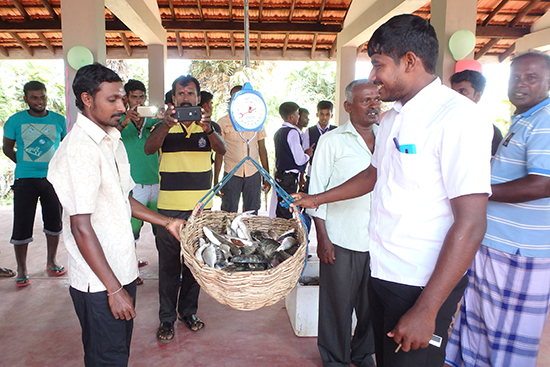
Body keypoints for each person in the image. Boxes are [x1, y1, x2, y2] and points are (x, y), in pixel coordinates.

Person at [292, 14, 492, 367]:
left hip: (420, 284)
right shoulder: (394, 117)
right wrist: (317, 199)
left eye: (378, 65)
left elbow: (472, 223)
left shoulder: (457, 117)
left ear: (410, 61)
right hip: (382, 270)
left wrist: (427, 310)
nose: (372, 76)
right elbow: (374, 174)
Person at [47, 63, 185, 366]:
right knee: (107, 358)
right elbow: (81, 226)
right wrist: (114, 289)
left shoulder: (111, 139)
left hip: (120, 272)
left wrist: (166, 221)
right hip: (100, 284)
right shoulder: (79, 150)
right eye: (113, 100)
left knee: (116, 353)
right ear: (86, 99)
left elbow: (122, 198)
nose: (122, 106)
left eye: (123, 99)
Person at [445, 52, 550, 367]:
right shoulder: (524, 119)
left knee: (507, 341)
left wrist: (478, 193)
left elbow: (543, 184)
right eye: (515, 77)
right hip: (497, 244)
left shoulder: (545, 120)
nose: (520, 84)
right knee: (480, 328)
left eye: (531, 77)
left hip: (520, 253)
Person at [144, 74, 226, 343]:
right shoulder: (162, 127)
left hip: (199, 213)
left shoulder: (210, 126)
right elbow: (148, 149)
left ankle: (188, 312)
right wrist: (166, 125)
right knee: (168, 268)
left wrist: (208, 129)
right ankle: (166, 319)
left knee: (195, 265)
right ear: (173, 99)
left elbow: (221, 149)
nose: (185, 98)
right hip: (167, 213)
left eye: (190, 93)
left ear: (198, 98)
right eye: (180, 94)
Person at [308, 79, 379, 367]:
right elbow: (316, 193)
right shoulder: (332, 141)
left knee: (372, 306)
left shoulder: (388, 137)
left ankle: (362, 354)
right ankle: (334, 359)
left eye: (377, 100)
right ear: (349, 106)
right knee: (337, 308)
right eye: (366, 101)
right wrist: (323, 239)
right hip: (341, 239)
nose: (374, 105)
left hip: (379, 240)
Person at [2, 80, 67, 287]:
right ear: (26, 98)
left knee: (54, 222)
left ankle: (52, 261)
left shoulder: (59, 120)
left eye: (43, 97)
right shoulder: (15, 120)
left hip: (52, 179)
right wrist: (23, 163)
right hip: (25, 179)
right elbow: (7, 148)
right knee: (22, 224)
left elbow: (64, 148)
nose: (40, 101)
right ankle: (22, 269)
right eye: (34, 97)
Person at [119, 79, 161, 284]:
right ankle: (130, 271)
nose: (138, 100)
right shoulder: (119, 119)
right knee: (130, 231)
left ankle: (167, 268)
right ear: (126, 98)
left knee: (160, 230)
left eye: (141, 96)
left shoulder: (150, 120)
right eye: (134, 96)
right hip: (133, 186)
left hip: (156, 182)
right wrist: (124, 121)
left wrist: (161, 115)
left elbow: (165, 124)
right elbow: (108, 135)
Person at [214, 85, 270, 214]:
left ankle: (248, 234)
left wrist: (266, 175)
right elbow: (219, 153)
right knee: (229, 211)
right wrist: (216, 180)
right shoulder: (222, 122)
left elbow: (262, 149)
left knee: (252, 212)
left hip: (253, 173)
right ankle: (228, 235)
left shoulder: (257, 120)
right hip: (232, 172)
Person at [273, 101, 313, 219]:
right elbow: (299, 160)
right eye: (297, 114)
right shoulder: (293, 133)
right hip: (289, 178)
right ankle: (286, 234)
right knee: (288, 207)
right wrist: (308, 155)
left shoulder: (278, 132)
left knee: (282, 206)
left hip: (280, 175)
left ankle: (280, 231)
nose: (299, 117)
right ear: (291, 117)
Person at [450, 69, 503, 155]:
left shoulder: (490, 132)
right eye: (453, 91)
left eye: (462, 92)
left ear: (477, 96)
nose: (455, 96)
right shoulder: (442, 123)